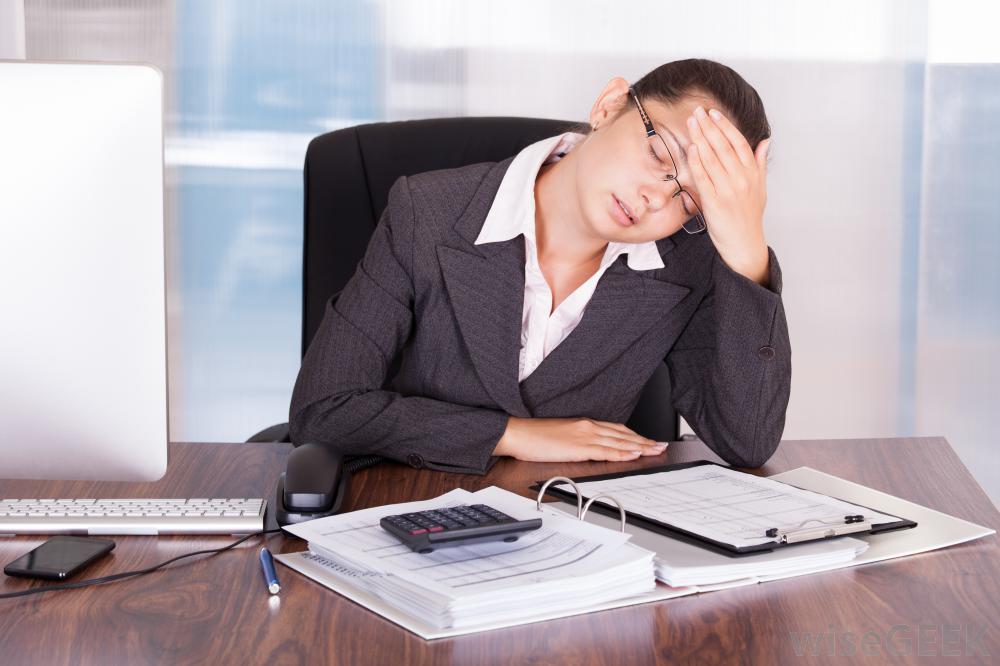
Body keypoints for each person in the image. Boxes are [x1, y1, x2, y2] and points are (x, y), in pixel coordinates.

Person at [289, 58, 790, 474]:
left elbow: (745, 442)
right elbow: (324, 408)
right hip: (411, 509)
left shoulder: (687, 264)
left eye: (688, 200)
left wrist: (748, 255)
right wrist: (511, 435)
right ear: (610, 105)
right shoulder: (426, 212)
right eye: (660, 152)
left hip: (580, 537)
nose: (655, 197)